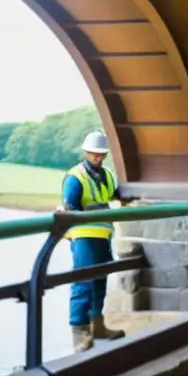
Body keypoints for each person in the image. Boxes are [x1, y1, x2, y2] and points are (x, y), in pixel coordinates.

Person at [61, 131, 126, 352]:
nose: (98, 158)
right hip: (83, 236)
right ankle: (79, 333)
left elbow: (113, 194)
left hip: (102, 234)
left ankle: (97, 326)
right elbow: (70, 207)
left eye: (101, 154)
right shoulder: (75, 177)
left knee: (100, 280)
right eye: (94, 154)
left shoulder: (107, 175)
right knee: (83, 281)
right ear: (86, 152)